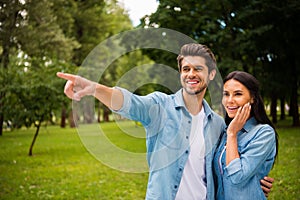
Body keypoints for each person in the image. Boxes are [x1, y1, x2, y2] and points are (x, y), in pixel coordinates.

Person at [57, 43, 273, 199]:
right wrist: (95, 88)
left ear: (211, 74)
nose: (191, 74)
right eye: (186, 69)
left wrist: (252, 182)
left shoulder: (217, 124)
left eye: (198, 69)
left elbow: (221, 168)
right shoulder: (160, 106)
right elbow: (130, 103)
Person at [213, 71, 278, 199]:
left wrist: (232, 134)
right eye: (226, 94)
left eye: (238, 94)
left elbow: (237, 176)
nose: (230, 100)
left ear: (252, 98)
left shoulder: (264, 133)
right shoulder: (223, 131)